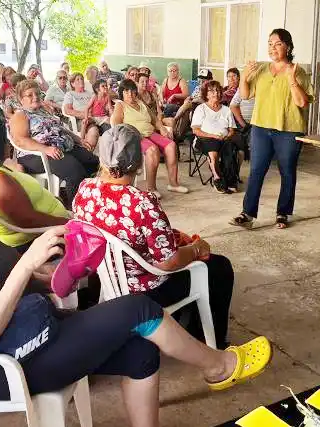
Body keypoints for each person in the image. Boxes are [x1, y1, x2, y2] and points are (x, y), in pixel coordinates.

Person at [0, 157, 270, 421]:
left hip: (35, 331)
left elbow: (9, 282)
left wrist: (64, 271)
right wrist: (26, 263)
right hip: (4, 366)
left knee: (143, 351)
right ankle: (218, 367)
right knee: (138, 309)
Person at [74, 124, 236, 349]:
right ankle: (207, 339)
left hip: (108, 278)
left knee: (186, 248)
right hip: (145, 292)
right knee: (219, 267)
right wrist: (197, 249)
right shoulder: (142, 203)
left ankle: (184, 320)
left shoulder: (85, 189)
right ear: (139, 162)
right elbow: (168, 262)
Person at [230, 29, 312, 230]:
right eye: (269, 44)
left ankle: (282, 213)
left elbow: (302, 102)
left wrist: (292, 79)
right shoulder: (262, 69)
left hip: (289, 130)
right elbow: (246, 95)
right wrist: (245, 77)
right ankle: (247, 213)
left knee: (287, 172)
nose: (272, 48)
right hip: (261, 128)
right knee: (256, 170)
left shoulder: (298, 71)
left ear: (288, 46)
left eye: (277, 43)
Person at [10, 79, 99, 207]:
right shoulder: (20, 115)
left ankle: (86, 198)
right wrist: (45, 149)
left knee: (94, 162)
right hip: (35, 155)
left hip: (61, 148)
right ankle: (73, 209)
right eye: (30, 95)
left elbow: (60, 128)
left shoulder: (43, 111)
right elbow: (21, 140)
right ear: (21, 99)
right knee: (74, 171)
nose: (35, 97)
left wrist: (79, 139)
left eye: (37, 93)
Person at [111, 79, 188, 198]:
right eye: (126, 92)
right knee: (152, 150)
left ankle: (173, 184)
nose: (130, 94)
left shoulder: (141, 103)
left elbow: (154, 119)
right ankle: (151, 188)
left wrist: (162, 129)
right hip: (134, 136)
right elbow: (115, 123)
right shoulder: (120, 105)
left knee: (171, 145)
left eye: (132, 91)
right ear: (122, 93)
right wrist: (130, 133)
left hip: (150, 132)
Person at [191, 81, 241, 194]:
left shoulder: (226, 110)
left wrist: (226, 136)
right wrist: (213, 136)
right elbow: (196, 130)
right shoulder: (201, 108)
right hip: (203, 139)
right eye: (212, 91)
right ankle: (217, 178)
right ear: (206, 94)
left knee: (230, 147)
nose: (216, 93)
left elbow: (232, 130)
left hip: (222, 139)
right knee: (213, 149)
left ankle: (231, 180)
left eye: (218, 90)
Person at [229, 89, 255, 176]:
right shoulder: (243, 88)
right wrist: (243, 124)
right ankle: (235, 173)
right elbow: (233, 105)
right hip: (243, 124)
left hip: (259, 124)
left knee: (253, 144)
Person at [83, 79, 113, 152]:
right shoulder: (94, 97)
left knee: (113, 123)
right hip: (94, 117)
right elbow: (87, 108)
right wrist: (86, 117)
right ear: (97, 89)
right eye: (103, 86)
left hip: (103, 117)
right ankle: (82, 139)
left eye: (106, 85)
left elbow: (109, 108)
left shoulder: (107, 96)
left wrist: (112, 116)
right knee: (84, 122)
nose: (106, 87)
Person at [62, 72, 95, 139]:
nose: (81, 80)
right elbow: (67, 110)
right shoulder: (70, 94)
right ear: (72, 84)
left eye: (82, 79)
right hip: (77, 121)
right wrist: (84, 114)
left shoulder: (90, 93)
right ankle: (85, 145)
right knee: (93, 127)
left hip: (93, 117)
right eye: (78, 79)